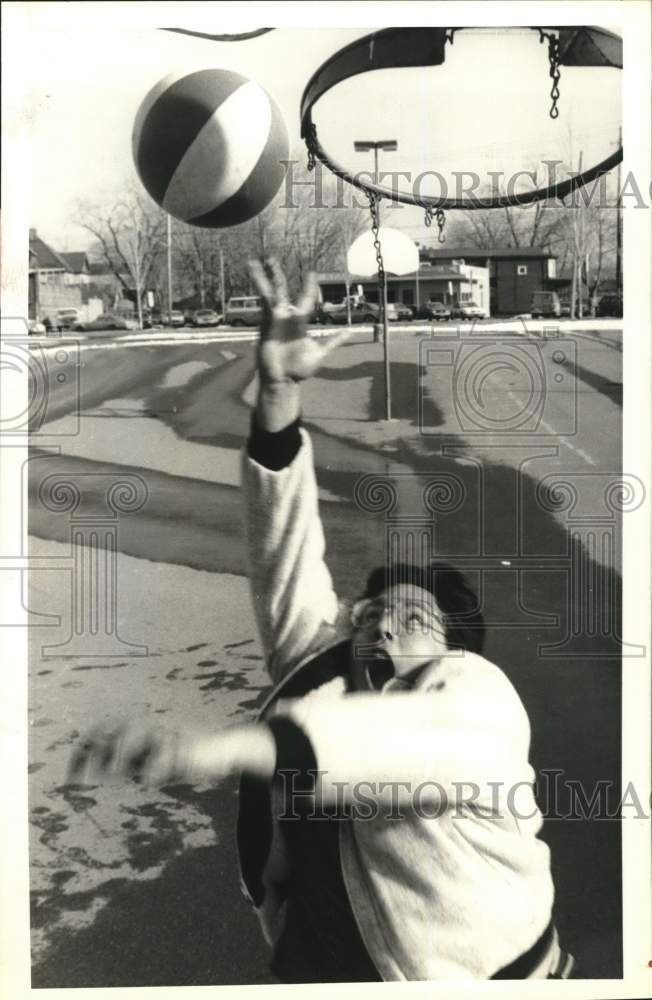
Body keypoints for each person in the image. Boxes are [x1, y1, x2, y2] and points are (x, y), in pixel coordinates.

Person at [72, 260, 573, 982]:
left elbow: (395, 745)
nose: (380, 621)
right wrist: (276, 392)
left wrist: (216, 749)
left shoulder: (476, 698)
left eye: (411, 615)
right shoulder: (327, 665)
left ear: (454, 647)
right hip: (315, 965)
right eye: (370, 609)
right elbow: (284, 543)